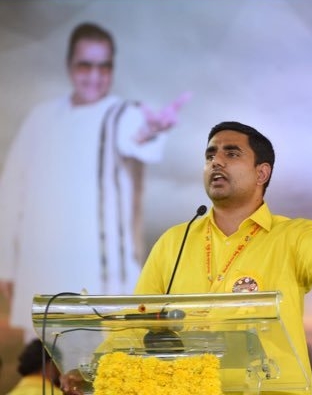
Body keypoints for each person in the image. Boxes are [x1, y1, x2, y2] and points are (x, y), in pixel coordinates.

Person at [59, 114, 312, 395]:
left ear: (262, 173)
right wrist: (94, 371)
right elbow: (135, 323)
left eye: (231, 154)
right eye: (210, 155)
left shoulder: (291, 237)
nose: (216, 161)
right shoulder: (175, 241)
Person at [0, 22, 188, 340]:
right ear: (69, 66)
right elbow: (11, 192)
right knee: (44, 361)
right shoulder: (40, 118)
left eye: (104, 66)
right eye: (85, 65)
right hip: (43, 266)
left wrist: (151, 130)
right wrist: (6, 264)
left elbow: (139, 140)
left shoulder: (122, 113)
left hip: (100, 274)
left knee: (103, 359)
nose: (95, 75)